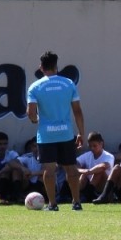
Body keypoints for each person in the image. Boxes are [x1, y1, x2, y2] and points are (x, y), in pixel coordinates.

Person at [25, 50, 86, 211]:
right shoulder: (68, 83)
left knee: (49, 170)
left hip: (46, 135)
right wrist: (81, 133)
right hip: (65, 133)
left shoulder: (35, 87)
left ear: (41, 67)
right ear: (56, 66)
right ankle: (76, 202)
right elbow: (77, 111)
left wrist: (35, 119)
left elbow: (30, 112)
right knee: (71, 168)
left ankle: (52, 204)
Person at [76, 131, 114, 202]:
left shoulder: (108, 156)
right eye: (90, 146)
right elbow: (75, 164)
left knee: (100, 172)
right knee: (82, 174)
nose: (92, 148)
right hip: (89, 184)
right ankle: (74, 195)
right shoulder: (88, 155)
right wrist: (83, 171)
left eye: (94, 146)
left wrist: (88, 171)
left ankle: (88, 195)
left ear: (101, 144)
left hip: (103, 187)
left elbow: (103, 166)